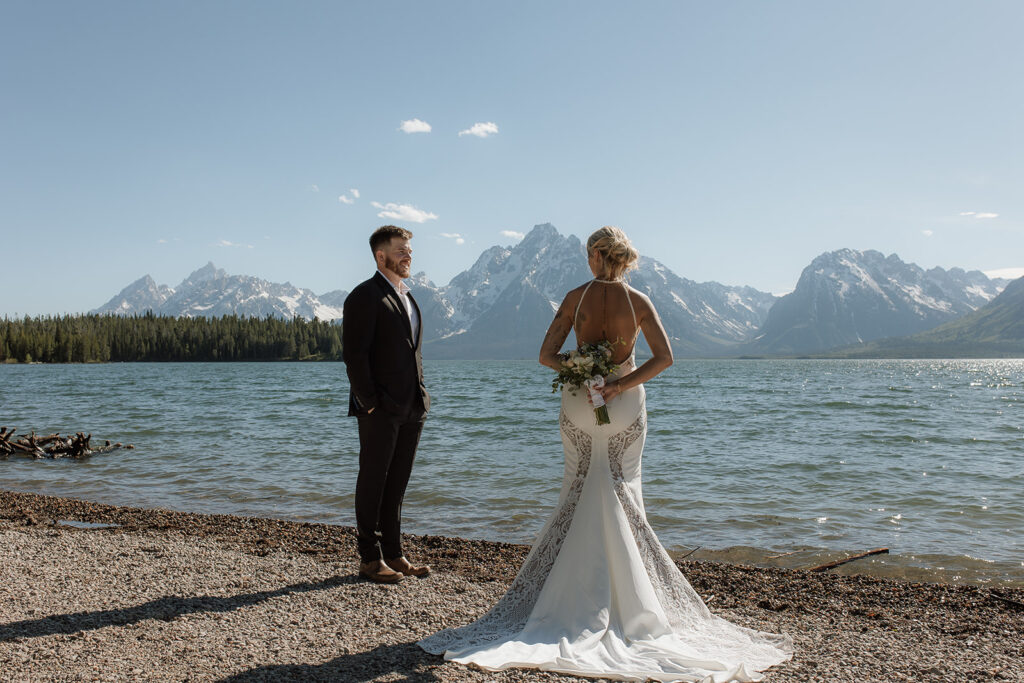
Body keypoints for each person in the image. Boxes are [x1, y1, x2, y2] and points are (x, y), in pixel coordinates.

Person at [419, 226, 792, 681]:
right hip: (624, 402)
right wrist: (616, 383)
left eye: (587, 253)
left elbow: (545, 355)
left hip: (580, 399)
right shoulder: (640, 302)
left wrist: (584, 370)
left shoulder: (574, 297)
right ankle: (633, 602)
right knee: (621, 488)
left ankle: (567, 597)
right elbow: (665, 358)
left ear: (597, 255)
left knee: (578, 487)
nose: (586, 260)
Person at [342, 225, 431, 584]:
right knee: (374, 480)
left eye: (409, 250)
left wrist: (421, 396)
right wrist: (371, 403)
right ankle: (369, 558)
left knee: (397, 482)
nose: (408, 255)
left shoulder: (407, 296)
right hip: (380, 408)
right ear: (381, 256)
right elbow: (354, 355)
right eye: (400, 250)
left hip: (412, 406)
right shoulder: (364, 296)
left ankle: (393, 554)